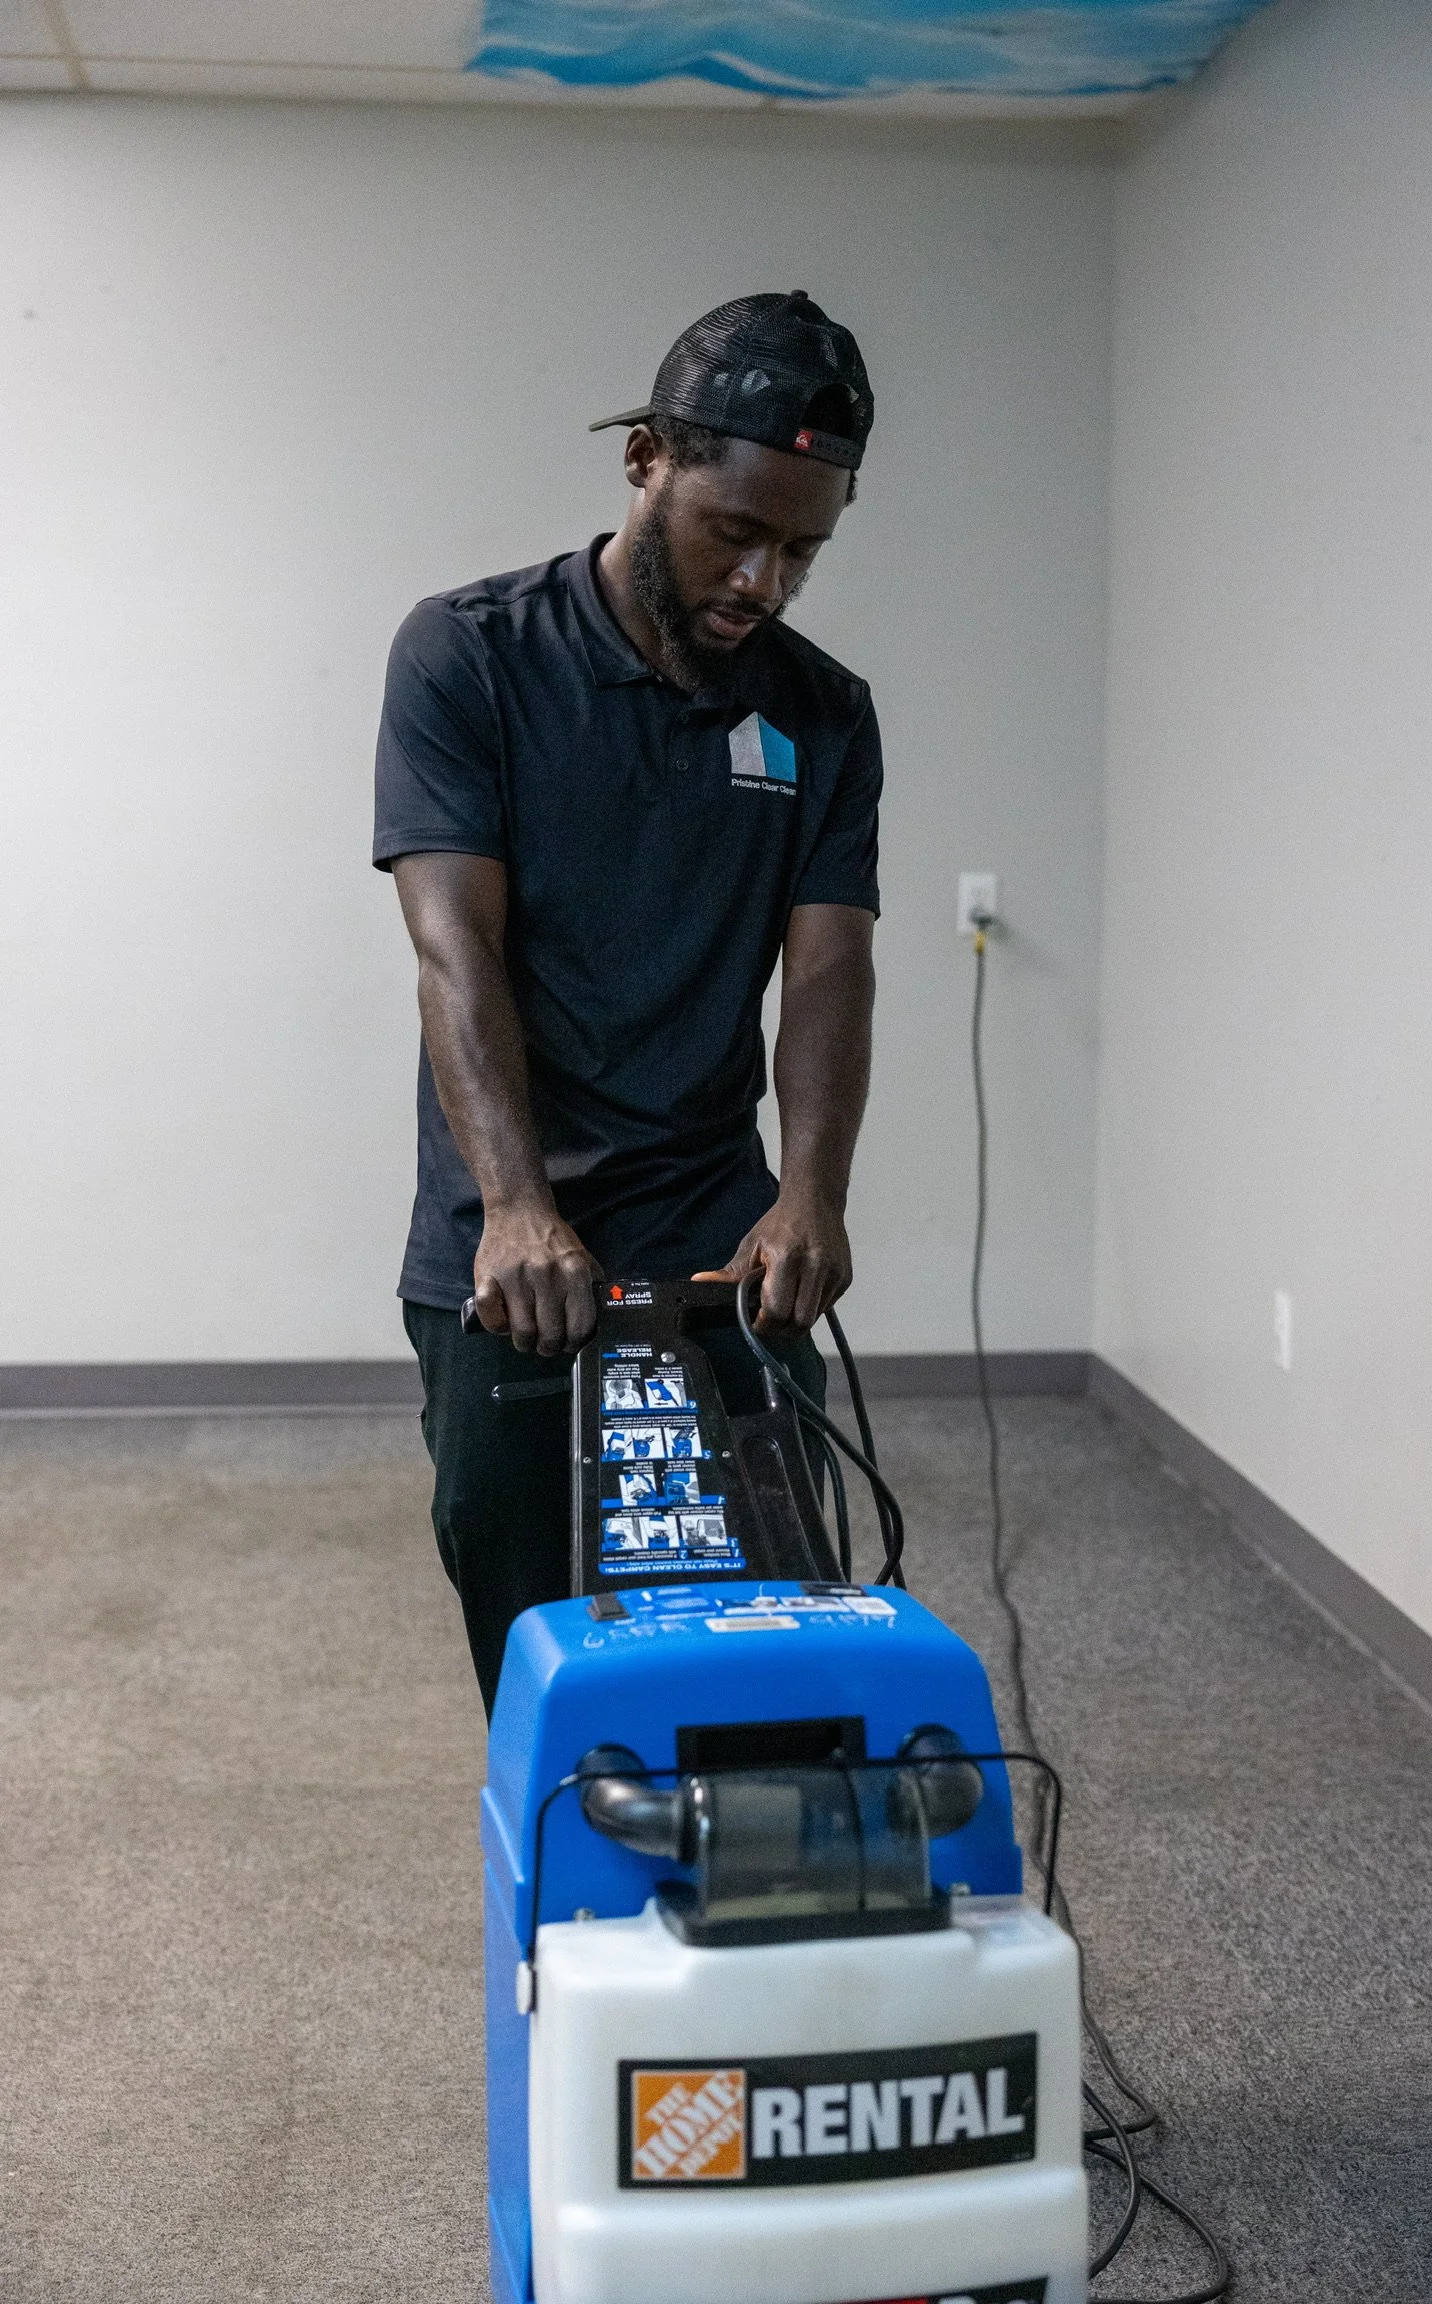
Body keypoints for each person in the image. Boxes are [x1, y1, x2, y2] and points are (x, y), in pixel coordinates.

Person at [373, 290, 880, 1714]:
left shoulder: (821, 713)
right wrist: (521, 1208)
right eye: (739, 532)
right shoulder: (470, 655)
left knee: (770, 1633)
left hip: (718, 1234)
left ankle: (751, 1901)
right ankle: (569, 1917)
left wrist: (812, 1197)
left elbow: (830, 965)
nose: (765, 582)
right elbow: (452, 950)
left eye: (803, 550)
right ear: (648, 459)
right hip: (505, 1243)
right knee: (544, 1647)